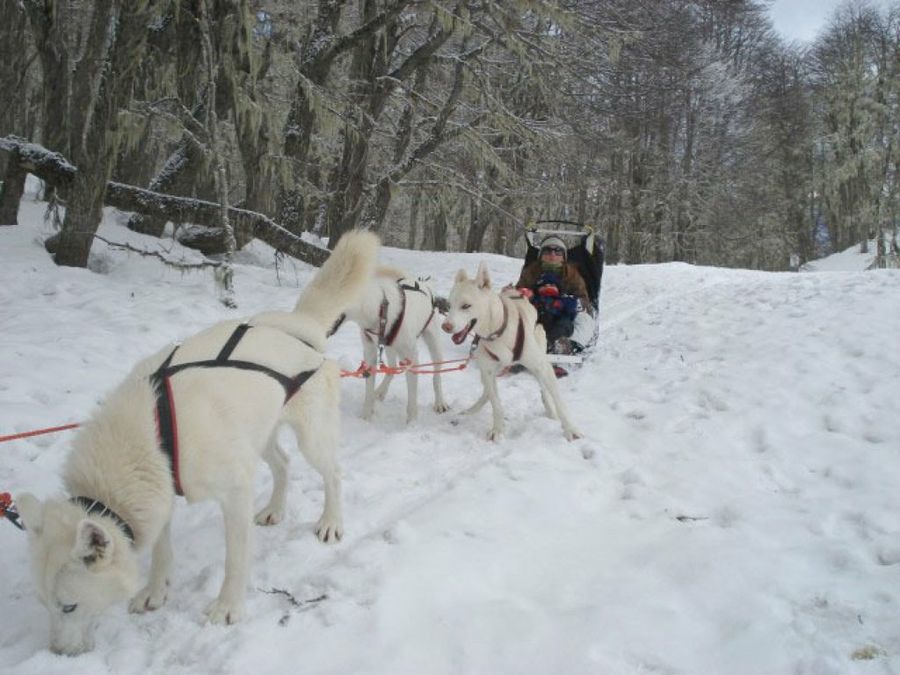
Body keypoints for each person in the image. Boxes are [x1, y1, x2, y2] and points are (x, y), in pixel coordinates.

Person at [515, 235, 595, 354]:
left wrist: (566, 302)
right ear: (541, 256)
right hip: (536, 313)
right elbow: (518, 293)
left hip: (563, 315)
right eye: (547, 251)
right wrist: (523, 295)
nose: (552, 255)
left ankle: (569, 345)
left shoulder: (572, 275)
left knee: (585, 320)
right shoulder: (531, 272)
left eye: (558, 252)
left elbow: (583, 300)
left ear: (563, 257)